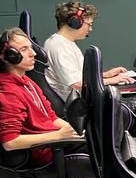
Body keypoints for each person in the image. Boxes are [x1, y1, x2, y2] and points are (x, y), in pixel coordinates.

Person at [0, 28, 81, 167]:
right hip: (46, 151)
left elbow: (51, 117)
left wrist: (75, 131)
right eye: (24, 49)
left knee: (101, 137)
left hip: (55, 143)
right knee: (103, 149)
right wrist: (59, 136)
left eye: (30, 47)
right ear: (7, 56)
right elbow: (10, 142)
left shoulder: (28, 82)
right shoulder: (8, 92)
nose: (33, 53)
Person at [41, 1, 134, 104]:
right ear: (75, 23)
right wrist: (112, 80)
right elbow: (76, 83)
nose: (90, 29)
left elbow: (78, 76)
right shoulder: (59, 46)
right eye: (89, 24)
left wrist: (104, 75)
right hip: (73, 105)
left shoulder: (64, 42)